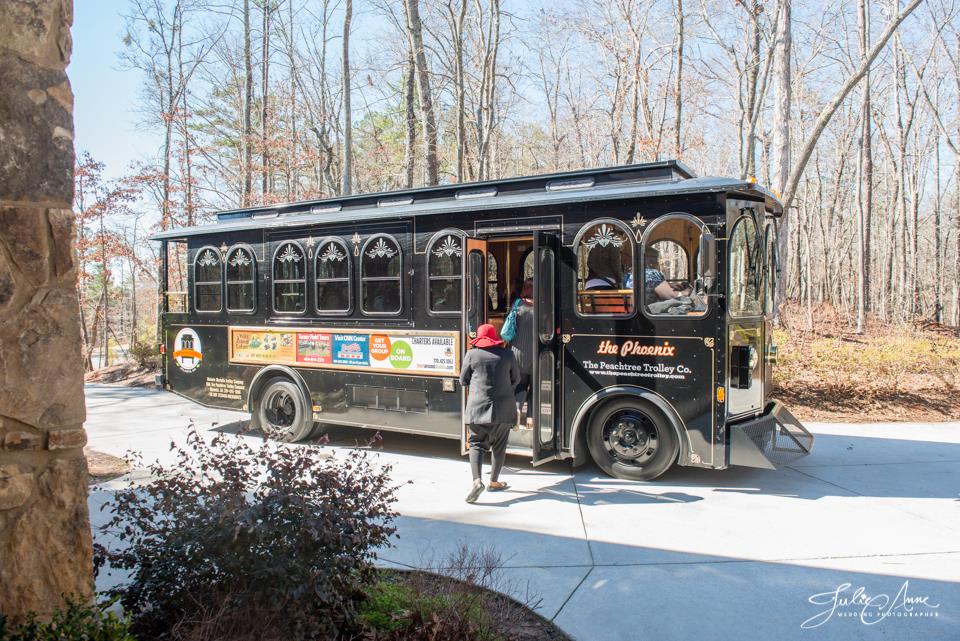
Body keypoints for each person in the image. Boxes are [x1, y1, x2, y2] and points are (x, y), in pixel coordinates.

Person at [459, 323, 519, 503]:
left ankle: (477, 481)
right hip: (503, 409)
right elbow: (516, 379)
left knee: (476, 444)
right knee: (499, 446)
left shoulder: (471, 354)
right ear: (494, 338)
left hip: (478, 409)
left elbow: (463, 381)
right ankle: (494, 482)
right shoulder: (508, 354)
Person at [510, 279, 535, 424]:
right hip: (535, 353)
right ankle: (531, 418)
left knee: (521, 384)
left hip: (517, 351)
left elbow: (509, 326)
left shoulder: (517, 304)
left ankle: (517, 408)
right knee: (534, 385)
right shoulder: (542, 306)